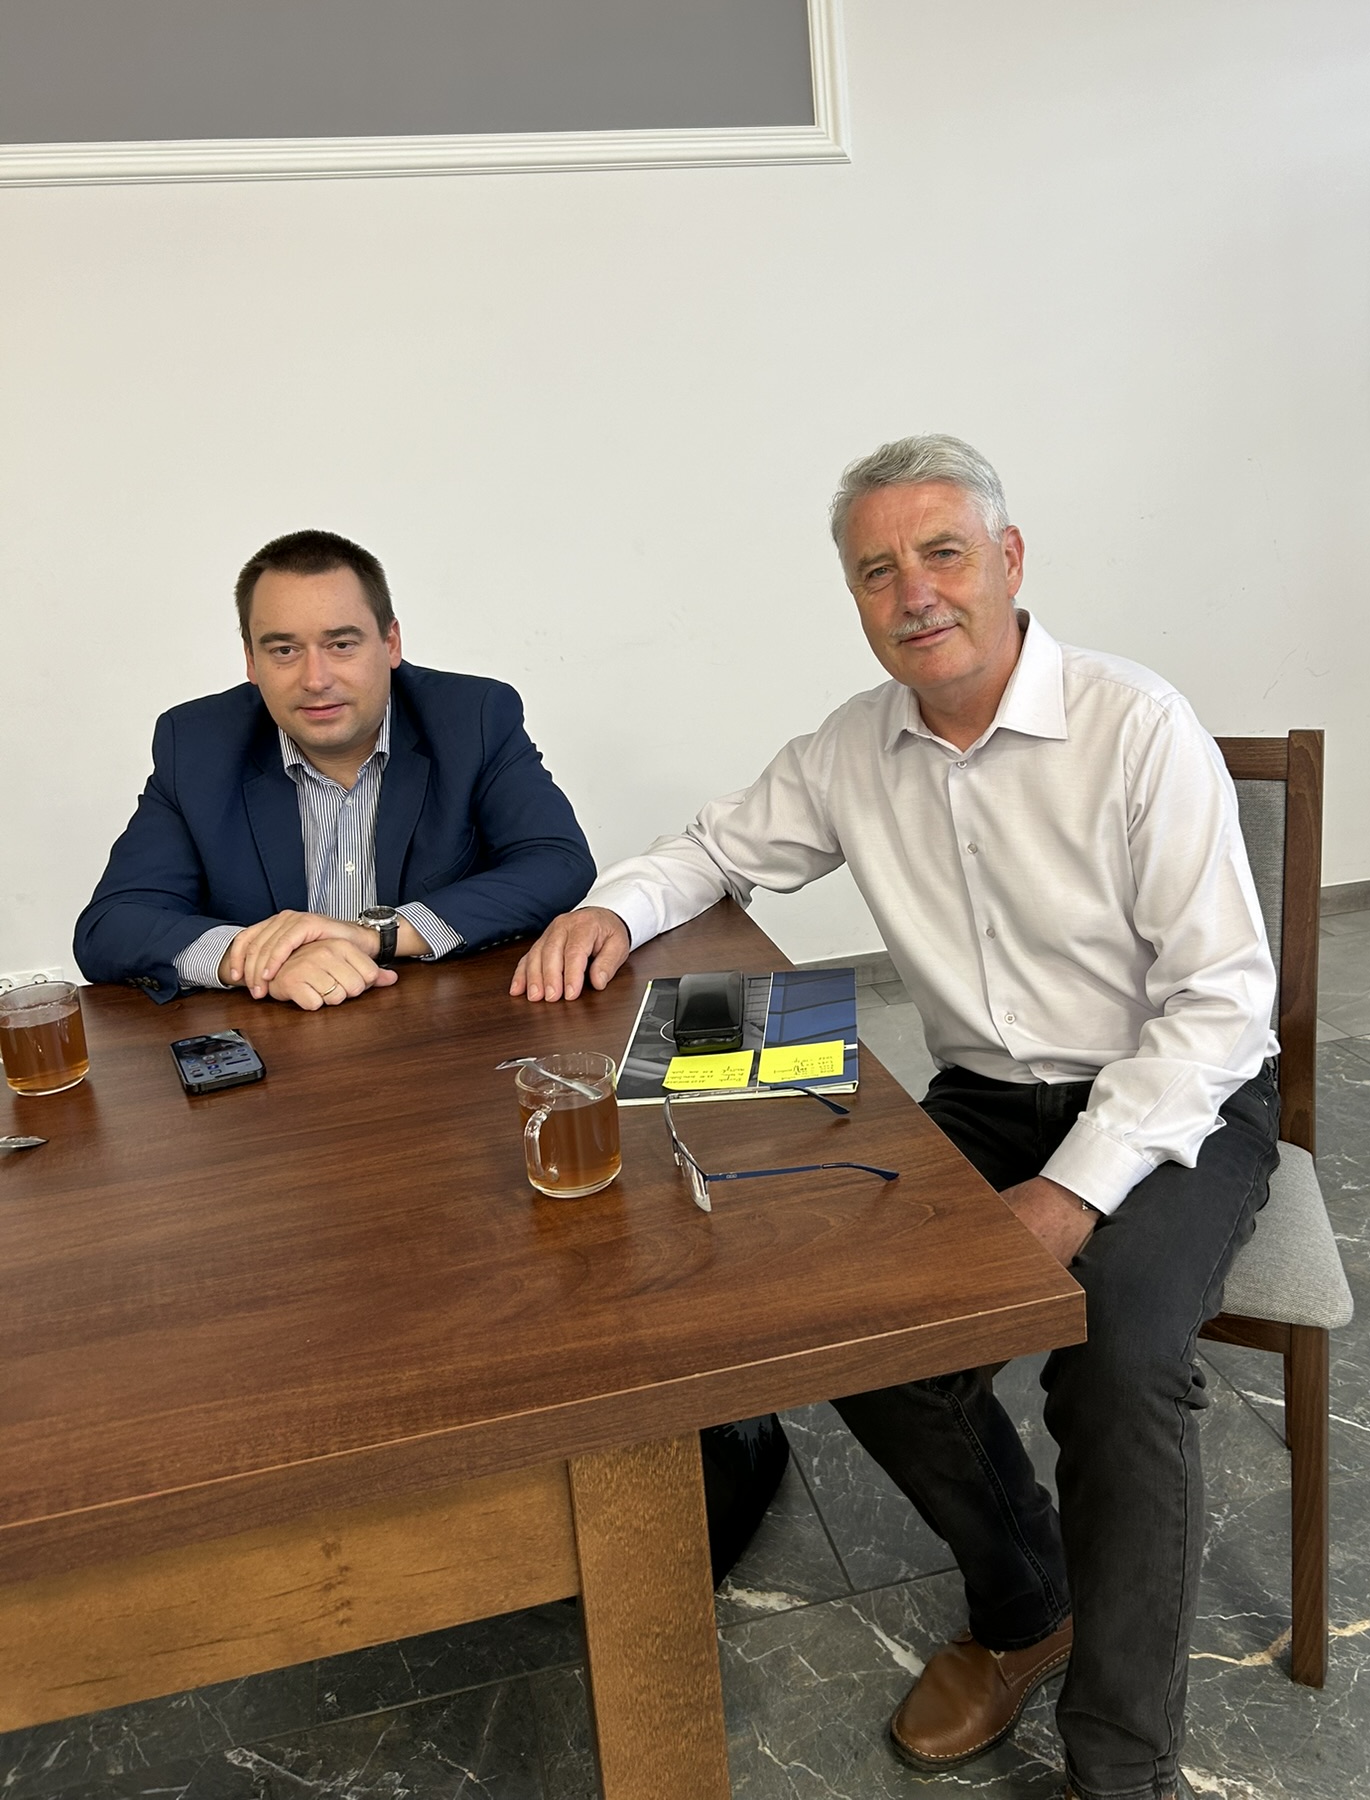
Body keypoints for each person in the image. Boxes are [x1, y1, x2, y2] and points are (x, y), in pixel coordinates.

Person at [509, 437, 1279, 1800]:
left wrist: (1074, 1190)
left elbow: (1220, 1004)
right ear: (855, 597)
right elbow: (714, 850)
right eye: (878, 570)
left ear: (1010, 560)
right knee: (857, 1325)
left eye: (943, 553)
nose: (915, 591)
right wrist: (608, 910)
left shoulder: (1136, 722)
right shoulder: (853, 747)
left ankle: (1121, 1765)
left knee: (1118, 1362)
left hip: (1177, 1094)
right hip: (986, 1092)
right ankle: (1028, 1601)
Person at [76, 530, 596, 1008]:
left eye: (341, 644)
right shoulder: (196, 744)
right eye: (284, 650)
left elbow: (557, 863)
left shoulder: (472, 717)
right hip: (282, 1045)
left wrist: (379, 935)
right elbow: (111, 925)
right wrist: (260, 957)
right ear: (251, 661)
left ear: (390, 643)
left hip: (442, 1031)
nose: (315, 679)